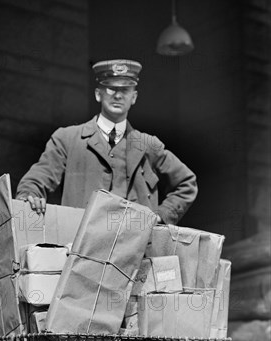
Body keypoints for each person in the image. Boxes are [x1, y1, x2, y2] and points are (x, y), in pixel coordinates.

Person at [16, 59, 197, 224]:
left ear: (133, 97)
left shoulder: (148, 145)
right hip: (81, 247)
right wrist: (30, 195)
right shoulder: (68, 139)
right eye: (111, 88)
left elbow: (186, 183)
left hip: (136, 250)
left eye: (125, 90)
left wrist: (161, 215)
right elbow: (37, 178)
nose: (117, 95)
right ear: (98, 94)